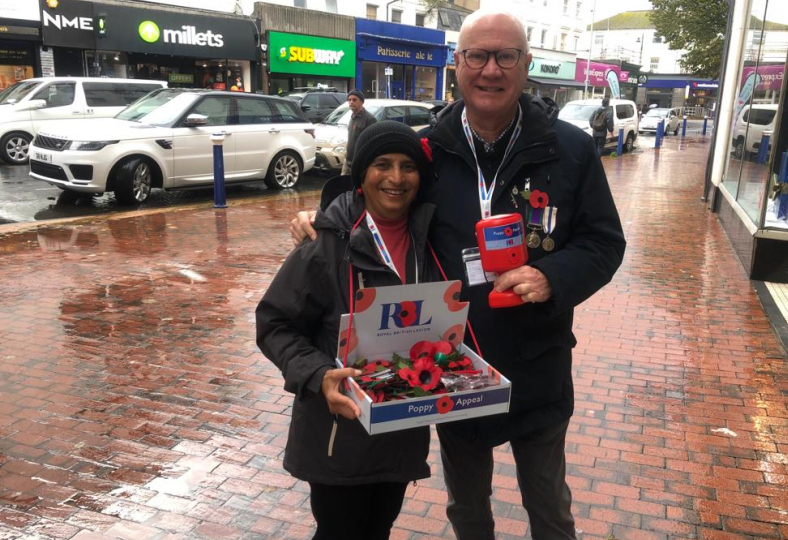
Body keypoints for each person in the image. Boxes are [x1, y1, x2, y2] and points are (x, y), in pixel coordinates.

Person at [290, 10, 626, 540]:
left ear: (526, 64)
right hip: (452, 370)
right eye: (477, 56)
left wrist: (552, 278)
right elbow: (376, 195)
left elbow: (604, 243)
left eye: (505, 56)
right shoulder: (431, 148)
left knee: (551, 512)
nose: (490, 70)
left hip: (538, 365)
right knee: (468, 512)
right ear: (457, 64)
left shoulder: (570, 149)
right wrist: (322, 213)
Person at [256, 121, 439, 540]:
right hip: (338, 432)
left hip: (400, 428)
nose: (396, 178)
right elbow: (275, 324)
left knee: (378, 530)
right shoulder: (325, 243)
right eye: (382, 164)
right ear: (361, 175)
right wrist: (318, 375)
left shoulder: (430, 241)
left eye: (408, 166)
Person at [343, 89, 377, 176]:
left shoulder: (369, 119)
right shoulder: (352, 117)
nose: (351, 102)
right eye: (349, 100)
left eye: (354, 100)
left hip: (359, 162)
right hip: (348, 161)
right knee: (343, 185)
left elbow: (372, 142)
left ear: (361, 102)